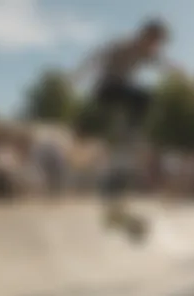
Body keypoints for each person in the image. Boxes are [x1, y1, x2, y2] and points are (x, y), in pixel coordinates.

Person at [71, 18, 184, 241]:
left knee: (141, 101)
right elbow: (95, 57)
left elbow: (168, 65)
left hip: (120, 95)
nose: (155, 48)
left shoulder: (148, 54)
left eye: (158, 45)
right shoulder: (122, 45)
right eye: (154, 42)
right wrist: (78, 75)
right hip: (105, 89)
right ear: (145, 36)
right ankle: (129, 130)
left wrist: (187, 80)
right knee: (143, 97)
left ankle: (114, 207)